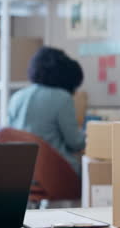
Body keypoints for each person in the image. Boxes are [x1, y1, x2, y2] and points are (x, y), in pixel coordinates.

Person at [7, 46, 85, 175]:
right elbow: (75, 143)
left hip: (21, 173)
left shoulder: (17, 96)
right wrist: (88, 135)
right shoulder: (62, 98)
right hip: (54, 174)